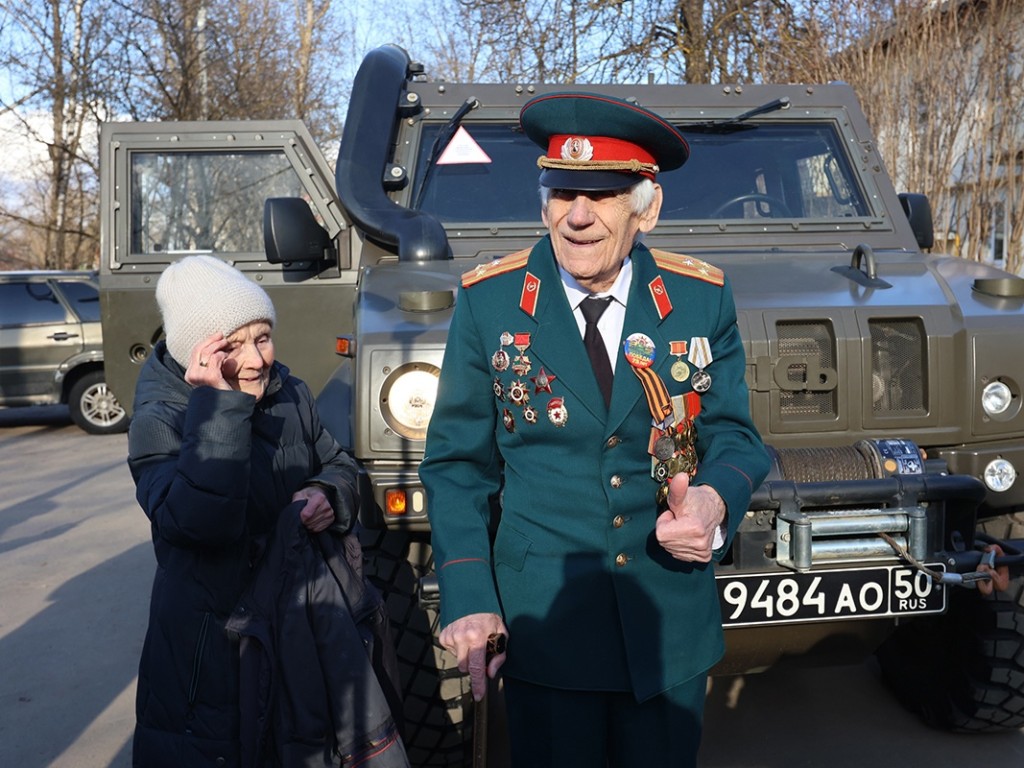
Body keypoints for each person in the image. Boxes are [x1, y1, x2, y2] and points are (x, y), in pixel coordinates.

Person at [418, 93, 771, 766]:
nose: (578, 217)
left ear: (646, 207)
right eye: (562, 192)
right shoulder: (490, 302)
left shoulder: (700, 296)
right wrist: (468, 596)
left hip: (666, 622)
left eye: (603, 194)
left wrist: (714, 500)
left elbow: (735, 434)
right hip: (543, 626)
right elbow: (457, 466)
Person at [127, 255, 406, 767]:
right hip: (213, 653)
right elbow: (197, 525)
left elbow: (340, 463)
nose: (256, 359)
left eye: (262, 337)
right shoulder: (159, 420)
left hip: (301, 630)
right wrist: (218, 407)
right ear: (197, 355)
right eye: (231, 346)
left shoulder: (290, 393)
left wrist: (329, 492)